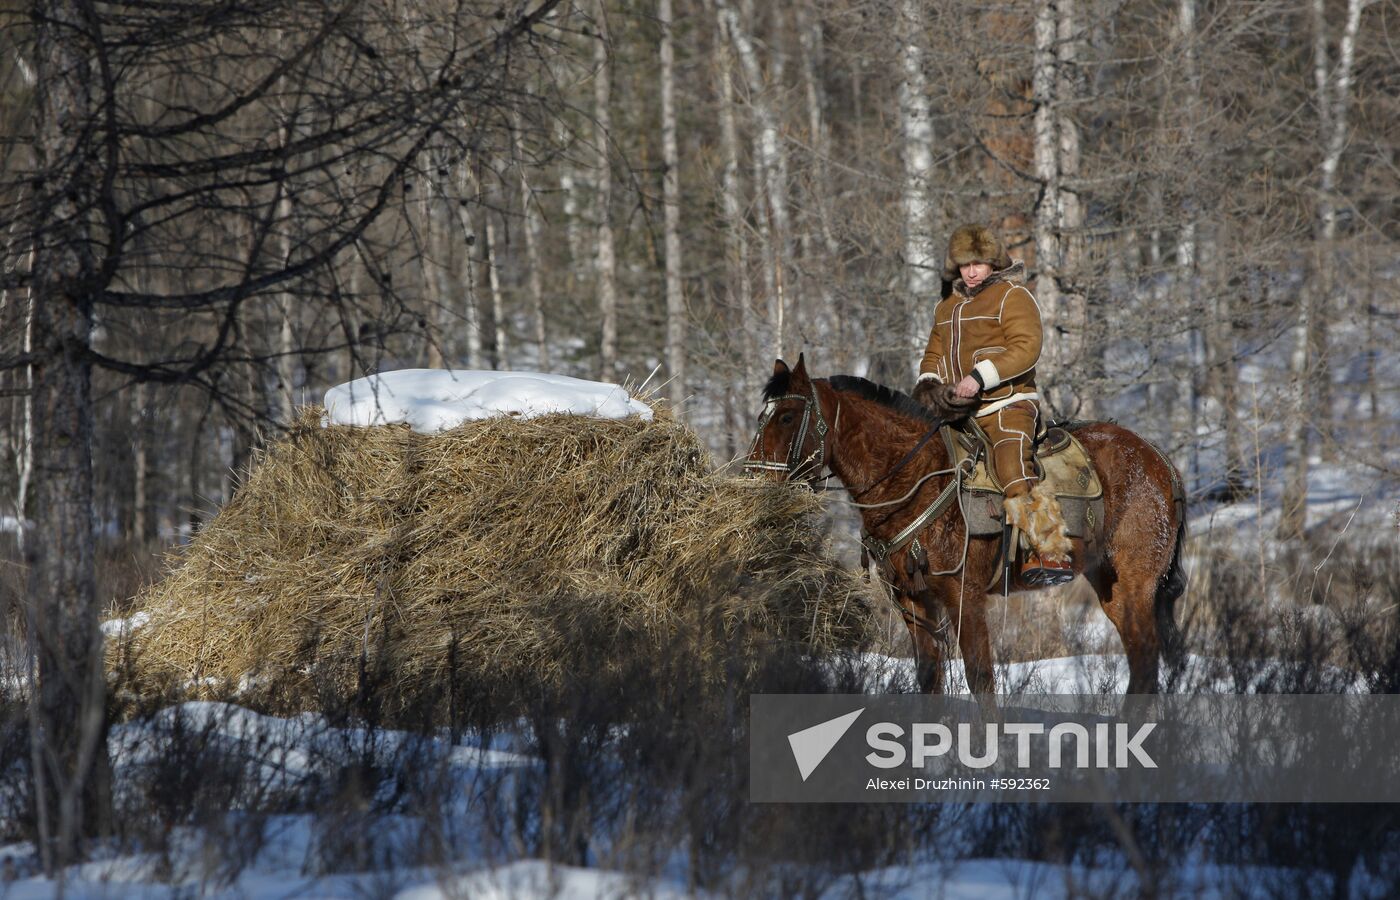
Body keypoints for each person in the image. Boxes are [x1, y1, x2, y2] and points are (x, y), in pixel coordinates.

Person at [911, 223, 1073, 586]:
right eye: (964, 264)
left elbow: (1026, 347)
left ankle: (1045, 549)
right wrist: (929, 384)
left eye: (979, 264)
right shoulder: (946, 306)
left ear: (994, 263)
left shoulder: (1012, 296)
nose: (971, 272)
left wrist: (980, 377)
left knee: (1010, 463)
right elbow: (933, 353)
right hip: (955, 411)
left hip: (1008, 404)